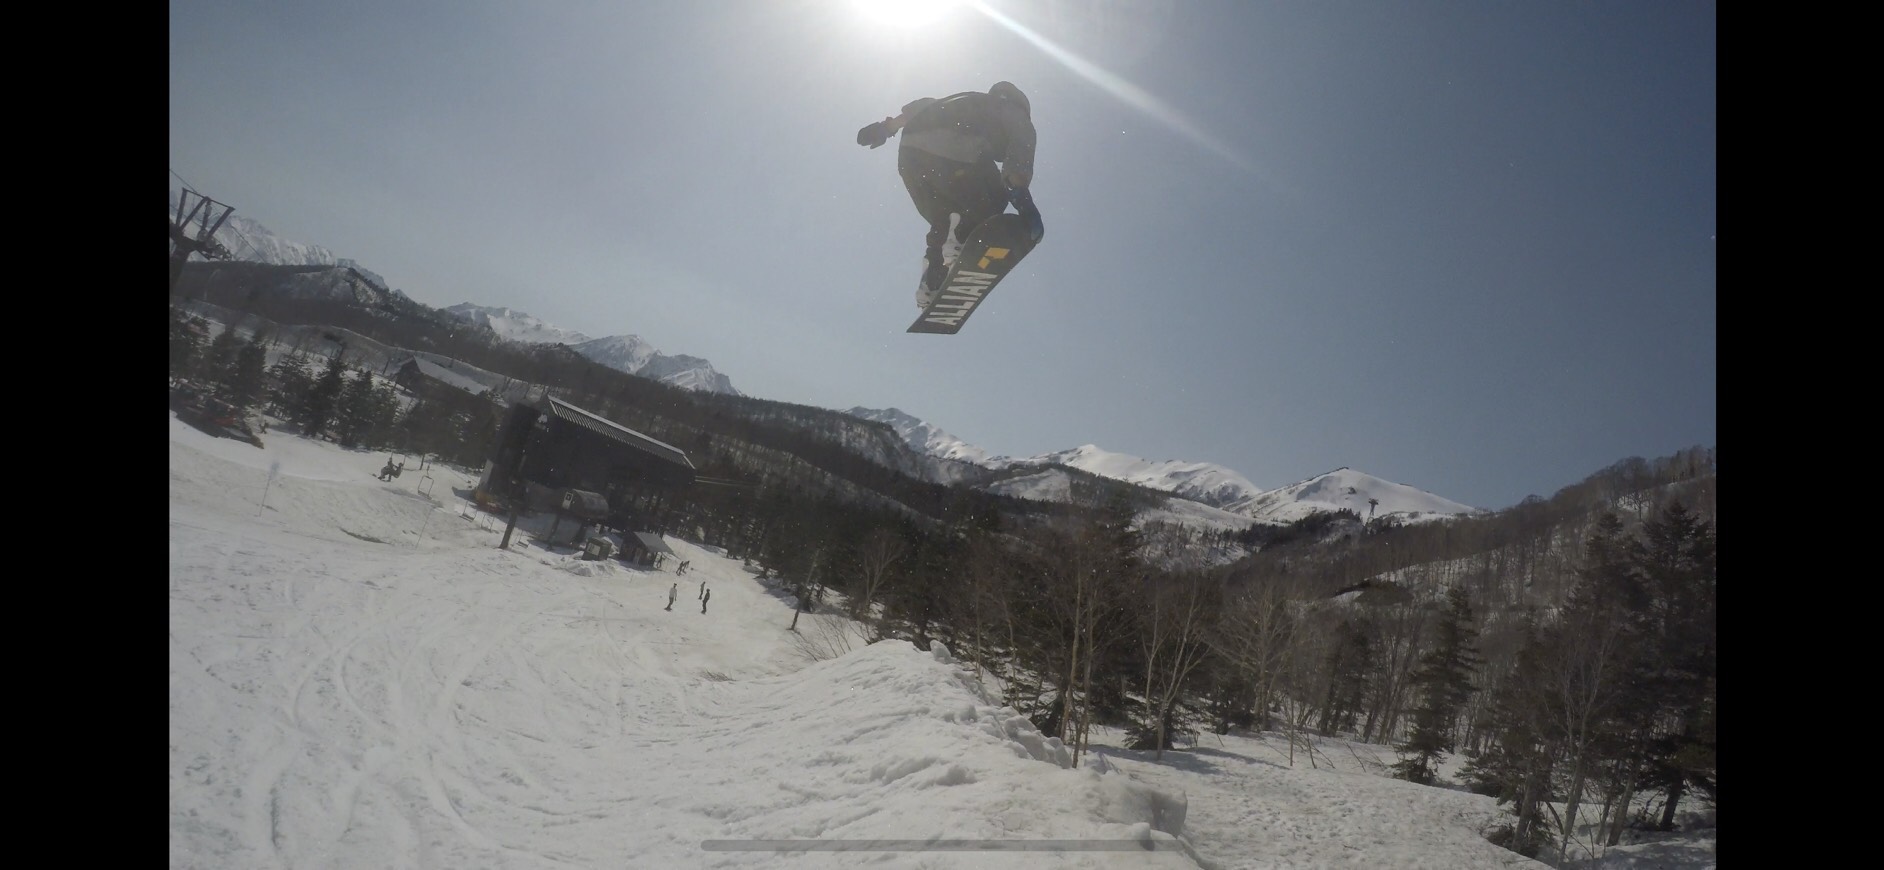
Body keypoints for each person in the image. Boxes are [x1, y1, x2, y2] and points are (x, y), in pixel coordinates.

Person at [857, 81, 1044, 310]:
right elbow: (1019, 156)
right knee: (996, 196)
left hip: (911, 159)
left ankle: (934, 275)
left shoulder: (964, 102)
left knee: (945, 216)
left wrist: (885, 128)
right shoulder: (1014, 112)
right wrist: (1025, 203)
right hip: (950, 153)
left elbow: (923, 107)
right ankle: (961, 239)